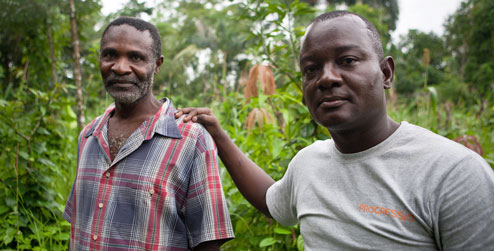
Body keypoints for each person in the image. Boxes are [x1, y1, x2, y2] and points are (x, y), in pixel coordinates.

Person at [175, 11, 494, 250]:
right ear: (303, 91)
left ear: (385, 72)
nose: (326, 78)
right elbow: (269, 198)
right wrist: (217, 133)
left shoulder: (455, 173)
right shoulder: (309, 163)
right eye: (311, 69)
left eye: (348, 60)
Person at [64, 17, 234, 250]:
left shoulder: (190, 139)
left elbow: (208, 242)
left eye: (136, 57)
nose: (120, 68)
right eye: (110, 55)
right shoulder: (88, 136)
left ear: (157, 64)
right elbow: (79, 227)